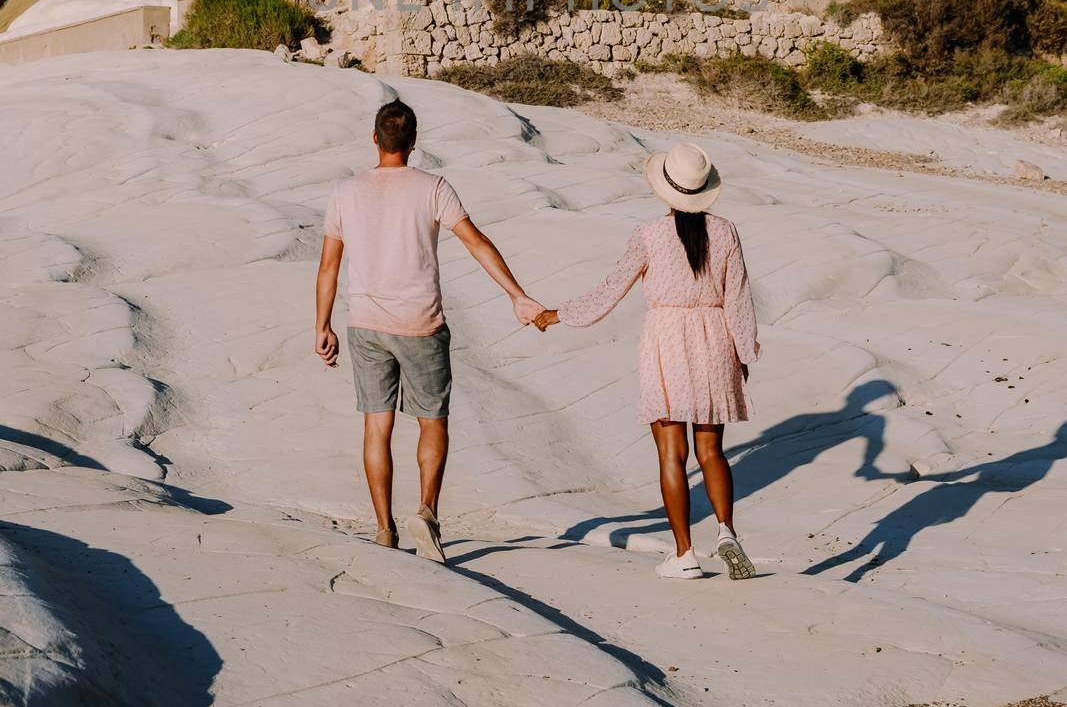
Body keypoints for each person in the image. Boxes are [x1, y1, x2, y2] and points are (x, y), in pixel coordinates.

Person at [314, 98, 544, 562]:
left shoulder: (345, 192)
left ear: (375, 139)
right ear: (414, 143)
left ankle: (383, 529)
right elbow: (476, 242)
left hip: (365, 326)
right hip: (421, 324)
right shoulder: (434, 187)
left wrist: (322, 326)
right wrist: (518, 296)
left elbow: (327, 267)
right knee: (431, 421)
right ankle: (426, 512)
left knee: (376, 427)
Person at [534, 141, 760, 581]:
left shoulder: (650, 235)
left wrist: (559, 313)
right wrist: (744, 352)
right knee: (711, 450)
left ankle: (684, 554)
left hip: (667, 343)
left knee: (671, 454)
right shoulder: (727, 231)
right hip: (715, 340)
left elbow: (611, 288)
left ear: (666, 190)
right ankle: (727, 531)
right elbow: (739, 298)